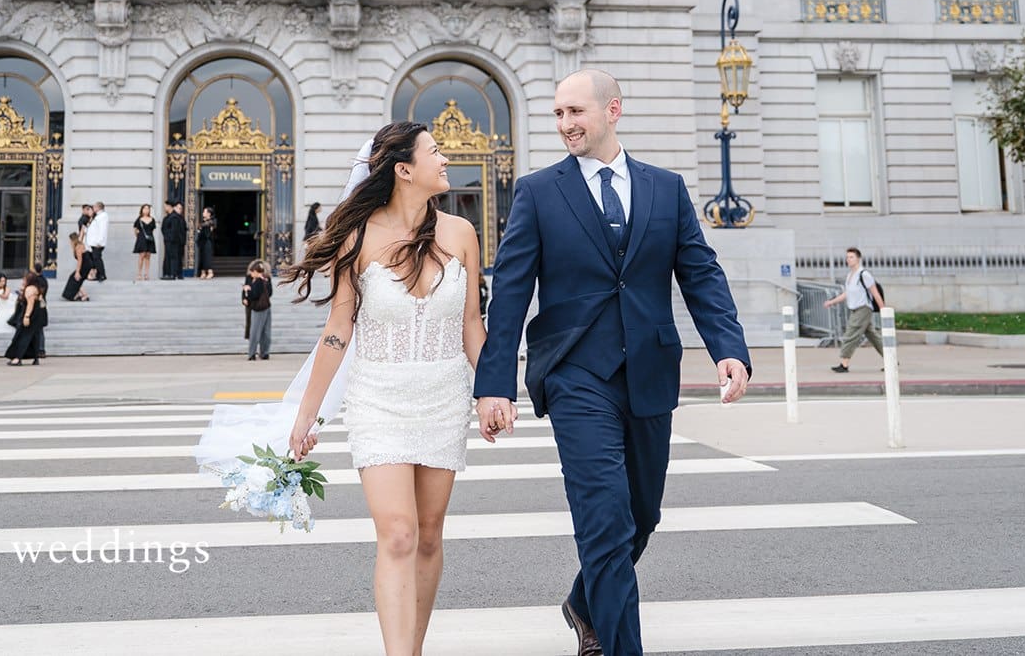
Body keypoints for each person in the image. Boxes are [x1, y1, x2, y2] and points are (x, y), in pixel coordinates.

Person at [474, 70, 751, 656]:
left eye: (575, 111)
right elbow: (512, 291)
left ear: (613, 110)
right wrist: (494, 383)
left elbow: (700, 272)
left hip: (649, 370)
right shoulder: (538, 191)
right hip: (575, 372)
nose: (565, 124)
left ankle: (582, 601)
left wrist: (727, 348)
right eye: (557, 114)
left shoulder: (666, 188)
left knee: (642, 515)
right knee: (604, 519)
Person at [282, 122, 486, 655]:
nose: (445, 159)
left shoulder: (462, 234)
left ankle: (412, 648)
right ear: (404, 169)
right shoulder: (358, 238)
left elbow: (471, 324)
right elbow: (337, 330)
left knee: (430, 533)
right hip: (379, 398)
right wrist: (307, 415)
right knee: (398, 533)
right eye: (435, 152)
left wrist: (491, 390)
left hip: (443, 394)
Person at [825, 246, 884, 373]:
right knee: (873, 336)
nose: (848, 260)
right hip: (855, 310)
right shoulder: (850, 275)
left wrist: (883, 309)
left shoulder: (864, 274)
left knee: (850, 334)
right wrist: (832, 302)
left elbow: (875, 293)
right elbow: (847, 293)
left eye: (851, 257)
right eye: (847, 257)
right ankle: (891, 359)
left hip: (863, 309)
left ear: (858, 259)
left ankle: (844, 364)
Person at [5, 273, 46, 366]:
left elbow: (30, 304)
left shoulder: (30, 289)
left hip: (30, 314)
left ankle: (18, 357)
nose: (23, 281)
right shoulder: (36, 288)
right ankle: (35, 358)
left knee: (23, 335)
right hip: (37, 315)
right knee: (34, 337)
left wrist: (26, 316)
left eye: (25, 279)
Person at [243, 260, 272, 361]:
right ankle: (265, 353)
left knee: (254, 332)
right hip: (267, 307)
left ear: (256, 271)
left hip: (258, 309)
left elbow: (254, 295)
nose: (250, 274)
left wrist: (247, 291)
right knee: (266, 332)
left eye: (252, 271)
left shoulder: (258, 281)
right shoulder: (266, 279)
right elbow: (270, 293)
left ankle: (252, 354)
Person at [61, 231, 92, 302]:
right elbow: (81, 236)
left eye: (70, 240)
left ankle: (83, 295)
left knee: (75, 278)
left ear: (73, 240)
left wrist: (77, 272)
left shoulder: (78, 247)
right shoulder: (79, 244)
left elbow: (80, 260)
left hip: (85, 265)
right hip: (86, 264)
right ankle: (80, 294)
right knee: (77, 279)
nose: (69, 242)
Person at [160, 201, 187, 280]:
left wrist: (170, 238)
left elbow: (175, 230)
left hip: (173, 241)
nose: (165, 208)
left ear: (170, 206)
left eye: (166, 206)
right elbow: (163, 229)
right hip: (170, 241)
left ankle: (172, 274)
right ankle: (169, 273)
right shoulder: (168, 217)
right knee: (169, 257)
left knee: (173, 257)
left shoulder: (175, 217)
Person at [86, 201, 109, 282]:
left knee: (97, 258)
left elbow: (102, 230)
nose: (93, 208)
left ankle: (102, 274)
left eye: (94, 207)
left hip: (97, 243)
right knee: (94, 259)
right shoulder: (98, 216)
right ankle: (98, 274)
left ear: (98, 207)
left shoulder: (103, 216)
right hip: (93, 242)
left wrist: (99, 242)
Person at [133, 204, 157, 282]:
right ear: (142, 210)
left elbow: (153, 229)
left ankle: (146, 273)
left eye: (148, 209)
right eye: (145, 208)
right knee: (142, 255)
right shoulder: (139, 219)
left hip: (150, 238)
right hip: (142, 238)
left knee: (148, 256)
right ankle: (139, 273)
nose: (146, 210)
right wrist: (139, 236)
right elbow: (135, 230)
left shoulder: (152, 219)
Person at [196, 207, 217, 279]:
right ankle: (203, 272)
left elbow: (207, 225)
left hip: (208, 242)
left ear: (209, 213)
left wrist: (201, 226)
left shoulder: (212, 221)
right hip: (202, 241)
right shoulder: (203, 221)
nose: (203, 213)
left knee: (207, 257)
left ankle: (210, 272)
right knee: (202, 257)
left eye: (204, 212)